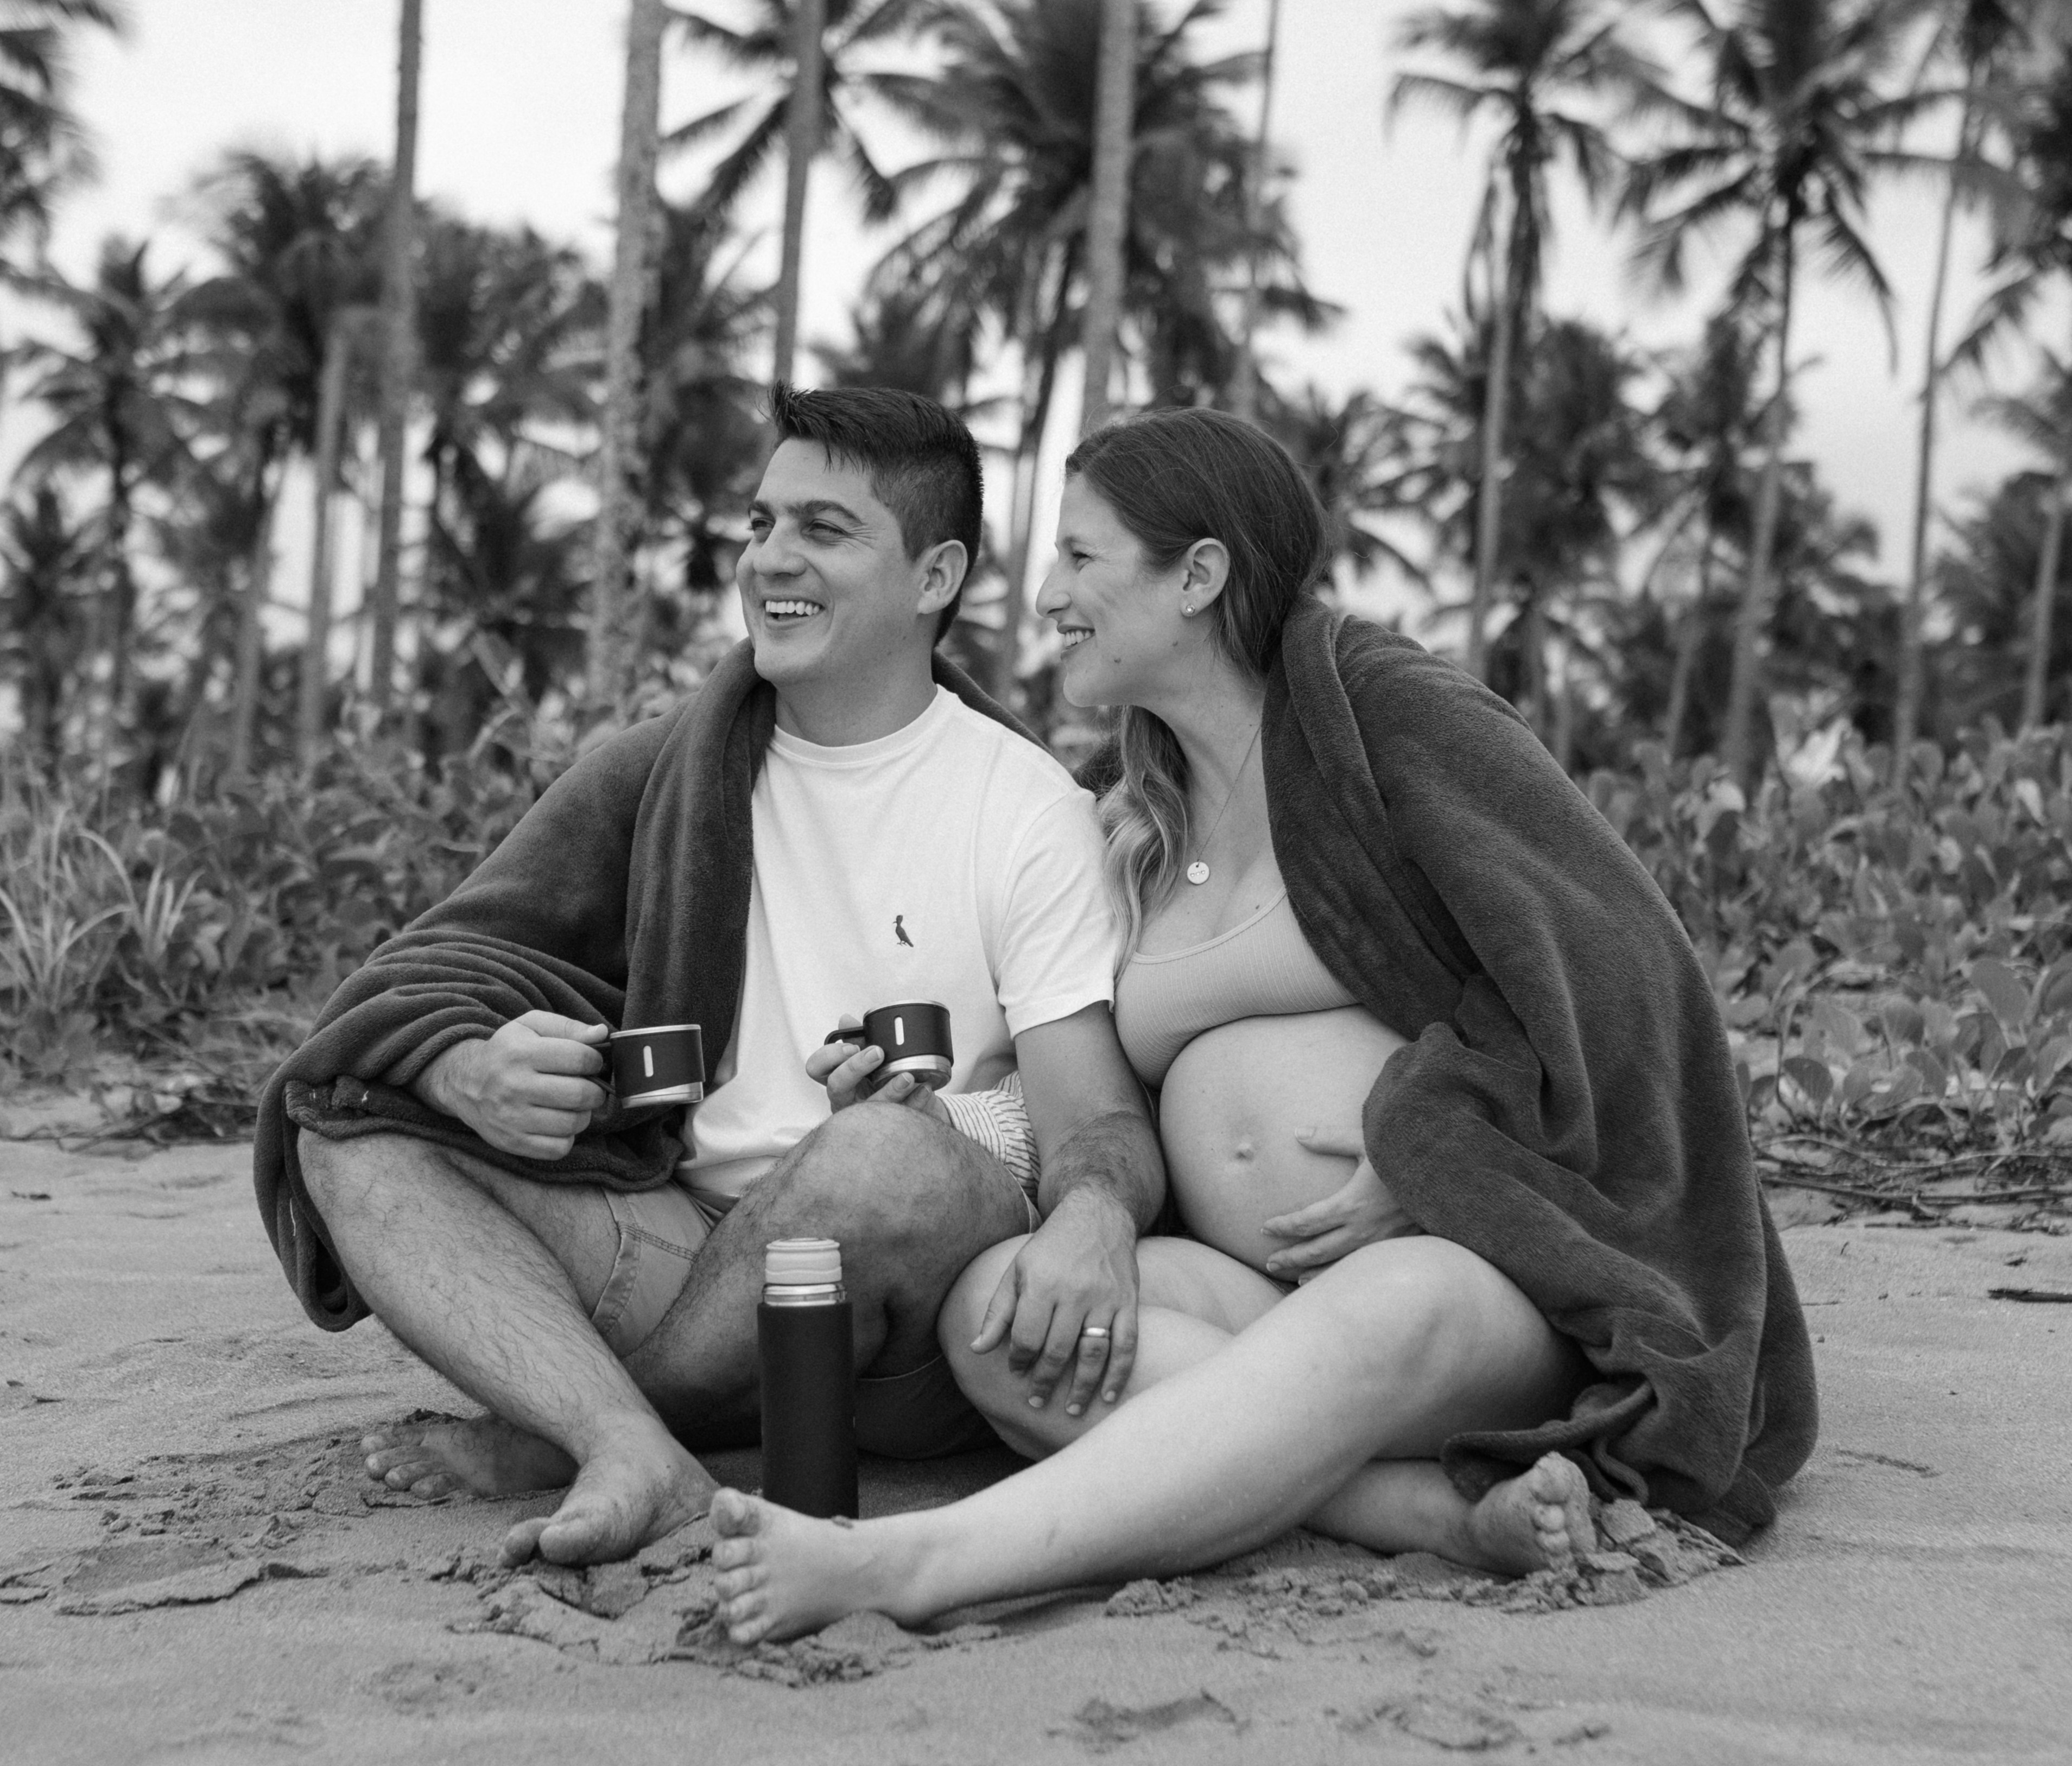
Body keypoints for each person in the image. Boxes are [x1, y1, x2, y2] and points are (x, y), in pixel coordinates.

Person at [706, 407, 1817, 1643]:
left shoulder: (1389, 716)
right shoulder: (1124, 813)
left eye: (1082, 558)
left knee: (1381, 1311)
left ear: (1198, 574)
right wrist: (938, 1113)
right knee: (1001, 1313)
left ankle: (917, 1564)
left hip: (1469, 1279)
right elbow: (1071, 1084)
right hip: (1251, 1283)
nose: (1046, 596)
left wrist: (1441, 1150)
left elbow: (1614, 962)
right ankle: (1444, 1516)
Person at [254, 385, 1164, 1568]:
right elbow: (422, 977)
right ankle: (628, 1440)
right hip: (673, 1234)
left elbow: (1095, 1117)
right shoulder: (658, 774)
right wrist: (468, 1063)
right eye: (759, 524)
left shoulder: (1023, 807)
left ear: (934, 578)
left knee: (875, 1159)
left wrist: (1088, 1211)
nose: (771, 560)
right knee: (348, 1135)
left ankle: (567, 1414)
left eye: (824, 531)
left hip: (895, 1309)